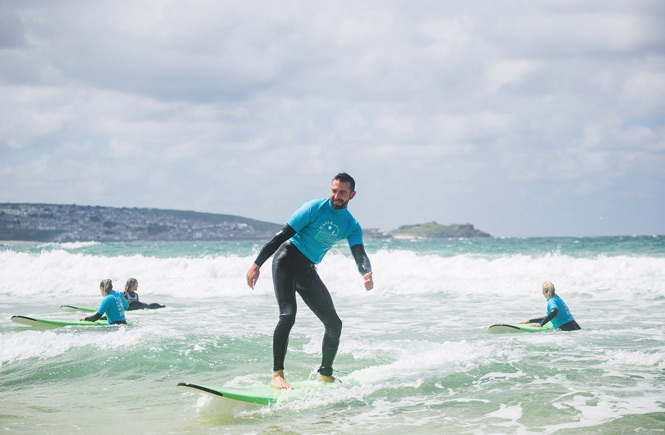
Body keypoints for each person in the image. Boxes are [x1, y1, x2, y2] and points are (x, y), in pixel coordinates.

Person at [246, 172, 374, 390]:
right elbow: (281, 235)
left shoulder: (351, 225)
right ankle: (277, 375)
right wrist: (256, 265)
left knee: (334, 324)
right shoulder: (314, 208)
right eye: (334, 191)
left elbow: (358, 252)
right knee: (288, 315)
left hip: (307, 269)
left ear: (352, 195)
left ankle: (325, 374)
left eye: (342, 193)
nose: (337, 196)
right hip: (286, 260)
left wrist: (366, 272)